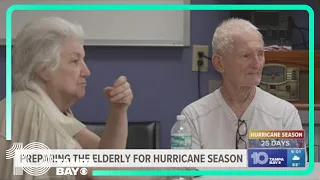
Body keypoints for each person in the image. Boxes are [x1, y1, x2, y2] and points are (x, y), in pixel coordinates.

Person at [0, 17, 191, 180]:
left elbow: (108, 157)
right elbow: (102, 172)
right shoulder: (30, 109)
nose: (86, 71)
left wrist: (118, 110)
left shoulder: (52, 110)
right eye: (75, 61)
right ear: (43, 68)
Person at [181, 18, 304, 150]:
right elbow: (186, 170)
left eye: (260, 54)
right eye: (246, 56)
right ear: (219, 63)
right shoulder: (192, 118)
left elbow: (295, 167)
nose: (257, 64)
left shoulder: (285, 114)